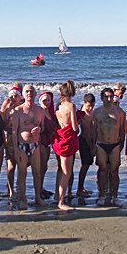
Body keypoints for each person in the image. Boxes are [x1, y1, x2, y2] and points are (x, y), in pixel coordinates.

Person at [12, 84, 47, 209]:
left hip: (35, 145)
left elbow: (42, 127)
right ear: (23, 93)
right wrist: (16, 150)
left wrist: (39, 129)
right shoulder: (18, 111)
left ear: (35, 94)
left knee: (37, 173)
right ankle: (23, 199)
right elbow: (14, 132)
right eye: (26, 91)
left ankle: (37, 197)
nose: (29, 94)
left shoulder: (40, 110)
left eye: (31, 92)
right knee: (22, 174)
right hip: (22, 146)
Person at [93, 88, 126, 206]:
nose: (109, 99)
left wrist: (121, 145)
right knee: (102, 170)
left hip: (115, 144)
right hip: (101, 144)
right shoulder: (97, 112)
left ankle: (115, 196)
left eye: (111, 97)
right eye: (106, 97)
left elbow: (123, 131)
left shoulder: (120, 112)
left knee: (114, 171)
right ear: (101, 98)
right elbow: (93, 130)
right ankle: (102, 194)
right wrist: (94, 147)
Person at [51, 81, 79, 210]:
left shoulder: (58, 106)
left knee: (63, 170)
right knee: (66, 172)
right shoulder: (71, 106)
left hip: (60, 138)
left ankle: (59, 197)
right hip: (68, 139)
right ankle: (61, 201)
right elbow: (74, 127)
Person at [1, 84, 24, 200]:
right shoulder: (8, 108)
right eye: (12, 96)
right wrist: (7, 112)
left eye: (16, 96)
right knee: (10, 165)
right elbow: (3, 125)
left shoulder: (23, 107)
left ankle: (20, 188)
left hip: (21, 138)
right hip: (10, 138)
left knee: (21, 165)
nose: (14, 98)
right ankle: (11, 190)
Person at [76, 93, 96, 198]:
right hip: (84, 141)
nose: (91, 108)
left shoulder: (92, 113)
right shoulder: (81, 114)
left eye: (92, 105)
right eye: (89, 105)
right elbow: (85, 132)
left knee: (88, 165)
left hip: (92, 140)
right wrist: (91, 147)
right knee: (85, 165)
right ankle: (79, 188)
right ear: (84, 103)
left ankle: (81, 187)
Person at [38, 91, 56, 199]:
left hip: (47, 144)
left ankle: (41, 188)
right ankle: (38, 190)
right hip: (40, 143)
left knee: (44, 167)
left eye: (48, 100)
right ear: (40, 101)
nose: (47, 102)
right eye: (44, 100)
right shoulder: (40, 112)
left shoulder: (49, 112)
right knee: (40, 167)